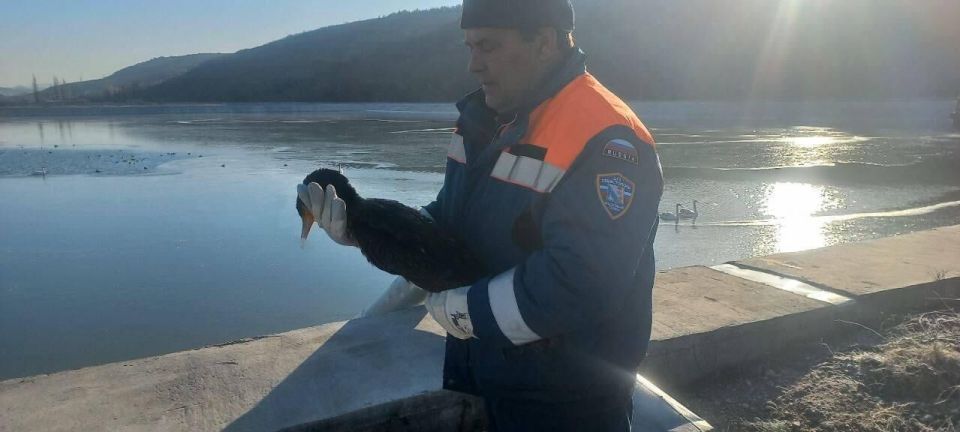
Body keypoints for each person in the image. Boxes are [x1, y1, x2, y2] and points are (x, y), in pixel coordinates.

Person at [300, 0, 663, 429]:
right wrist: (365, 227)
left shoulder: (608, 139)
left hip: (570, 396)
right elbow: (451, 222)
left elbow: (580, 283)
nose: (473, 64)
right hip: (493, 372)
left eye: (487, 46)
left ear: (544, 43)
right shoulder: (484, 120)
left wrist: (469, 312)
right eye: (469, 46)